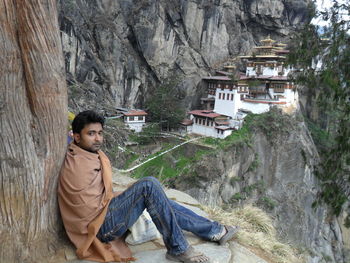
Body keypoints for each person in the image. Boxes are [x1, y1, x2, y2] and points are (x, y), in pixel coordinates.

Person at [58, 110, 239, 263]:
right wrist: (124, 199)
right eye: (91, 134)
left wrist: (123, 198)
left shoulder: (81, 150)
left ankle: (214, 231)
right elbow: (89, 209)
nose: (98, 139)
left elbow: (98, 196)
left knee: (158, 199)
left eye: (100, 133)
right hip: (101, 227)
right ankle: (178, 247)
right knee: (149, 186)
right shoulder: (78, 165)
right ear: (77, 137)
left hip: (105, 214)